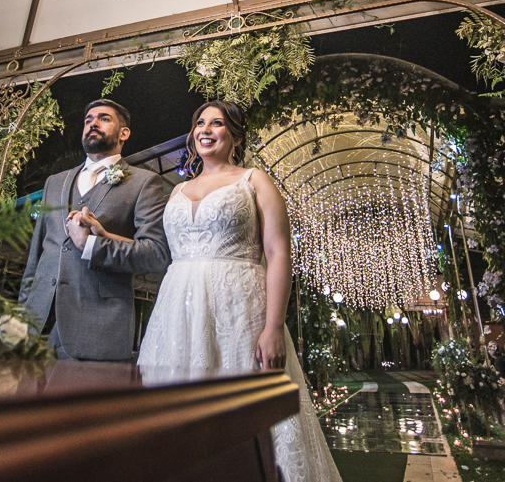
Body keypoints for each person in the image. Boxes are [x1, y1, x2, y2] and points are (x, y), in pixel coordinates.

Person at [76, 101, 342, 482]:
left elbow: (278, 253)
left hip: (238, 309)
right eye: (200, 122)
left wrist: (272, 327)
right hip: (178, 310)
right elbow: (167, 253)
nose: (206, 129)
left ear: (233, 134)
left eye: (217, 123)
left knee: (246, 416)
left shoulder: (254, 180)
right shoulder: (179, 189)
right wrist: (106, 236)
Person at [19, 99, 170, 361]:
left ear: (124, 133)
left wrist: (92, 246)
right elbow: (37, 254)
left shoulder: (144, 182)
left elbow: (155, 254)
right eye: (88, 120)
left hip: (97, 325)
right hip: (36, 323)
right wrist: (23, 311)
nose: (93, 124)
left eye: (104, 118)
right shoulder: (55, 182)